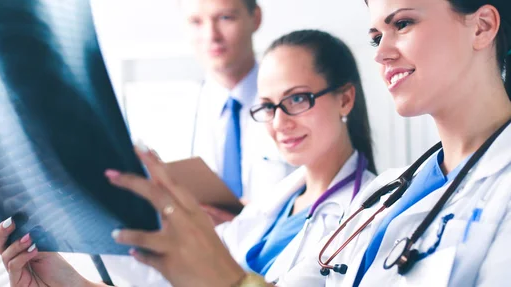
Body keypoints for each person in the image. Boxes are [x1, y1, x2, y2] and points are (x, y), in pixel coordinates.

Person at [102, 0, 511, 286]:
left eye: (402, 23)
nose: (381, 53)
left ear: (482, 26)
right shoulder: (387, 192)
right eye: (375, 36)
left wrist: (228, 281)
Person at [0, 28, 377, 286]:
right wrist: (68, 280)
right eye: (267, 106)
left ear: (345, 97)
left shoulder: (371, 216)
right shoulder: (275, 204)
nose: (279, 122)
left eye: (297, 99)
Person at [177, 0, 295, 208]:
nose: (211, 36)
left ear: (255, 18)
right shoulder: (174, 113)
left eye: (225, 18)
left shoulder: (297, 105)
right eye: (196, 22)